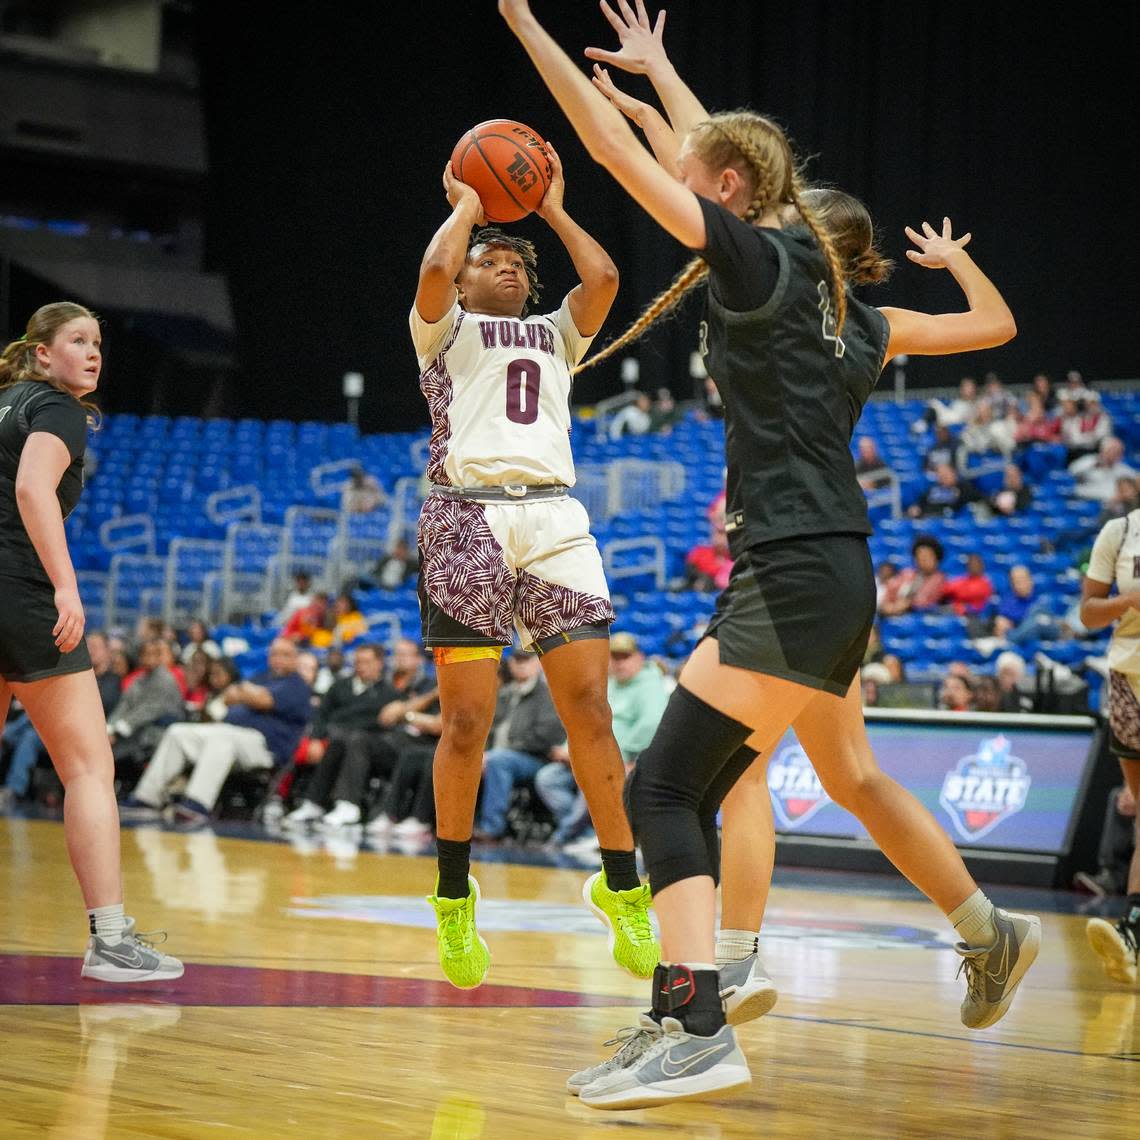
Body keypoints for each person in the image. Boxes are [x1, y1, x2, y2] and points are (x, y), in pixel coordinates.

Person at [500, 0, 1039, 1107]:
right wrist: (658, 77)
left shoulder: (760, 267)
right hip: (832, 572)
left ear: (740, 199)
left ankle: (696, 1013)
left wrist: (521, 19)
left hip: (794, 568)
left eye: (693, 169)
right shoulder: (841, 306)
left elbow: (629, 149)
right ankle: (978, 931)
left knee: (668, 788)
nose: (671, 164)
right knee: (821, 775)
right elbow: (719, 159)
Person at [408, 139, 657, 990]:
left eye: (517, 261)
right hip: (466, 518)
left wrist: (545, 204)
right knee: (468, 725)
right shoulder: (442, 327)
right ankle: (452, 897)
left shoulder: (556, 333)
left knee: (591, 707)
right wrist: (471, 207)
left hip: (554, 516)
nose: (505, 265)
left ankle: (622, 887)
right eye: (491, 259)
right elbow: (435, 270)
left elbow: (607, 280)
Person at [0, 301, 182, 981]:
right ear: (43, 353)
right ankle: (109, 940)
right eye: (76, 340)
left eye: (97, 342)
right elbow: (31, 489)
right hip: (19, 590)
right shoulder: (57, 409)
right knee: (87, 768)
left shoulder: (5, 403)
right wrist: (66, 587)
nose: (93, 351)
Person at [119, 637, 311, 825]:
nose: (278, 658)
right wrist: (248, 694)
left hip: (266, 748)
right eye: (275, 654)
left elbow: (263, 700)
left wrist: (245, 694)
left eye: (285, 655)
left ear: (295, 659)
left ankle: (197, 805)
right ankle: (146, 799)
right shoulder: (261, 677)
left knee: (222, 738)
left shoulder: (296, 685)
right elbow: (229, 696)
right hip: (232, 734)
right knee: (178, 732)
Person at [1078, 507, 1140, 984]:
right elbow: (1089, 612)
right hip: (1129, 680)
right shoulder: (1119, 532)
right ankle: (1134, 933)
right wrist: (1129, 601)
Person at [472, 648, 565, 841]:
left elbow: (546, 736)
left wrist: (496, 753)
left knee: (499, 761)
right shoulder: (504, 693)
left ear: (538, 663)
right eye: (517, 659)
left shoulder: (549, 695)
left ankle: (492, 828)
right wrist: (480, 752)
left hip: (535, 758)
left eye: (527, 659)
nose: (521, 664)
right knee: (461, 759)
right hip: (496, 754)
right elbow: (486, 729)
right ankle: (447, 825)